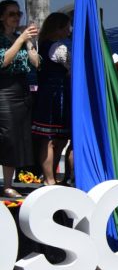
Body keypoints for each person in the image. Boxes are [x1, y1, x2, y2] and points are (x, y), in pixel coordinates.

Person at [0, 0, 39, 198]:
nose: (16, 17)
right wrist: (19, 40)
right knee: (6, 137)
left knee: (15, 138)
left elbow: (36, 63)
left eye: (18, 13)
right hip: (4, 90)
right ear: (2, 17)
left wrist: (29, 42)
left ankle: (8, 183)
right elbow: (3, 61)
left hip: (21, 89)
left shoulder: (21, 38)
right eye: (11, 14)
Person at [32, 12, 72, 186]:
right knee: (50, 139)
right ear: (59, 28)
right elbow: (72, 66)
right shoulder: (58, 48)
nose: (69, 30)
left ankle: (49, 177)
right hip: (56, 96)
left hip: (50, 95)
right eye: (67, 26)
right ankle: (49, 178)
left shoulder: (45, 45)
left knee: (58, 139)